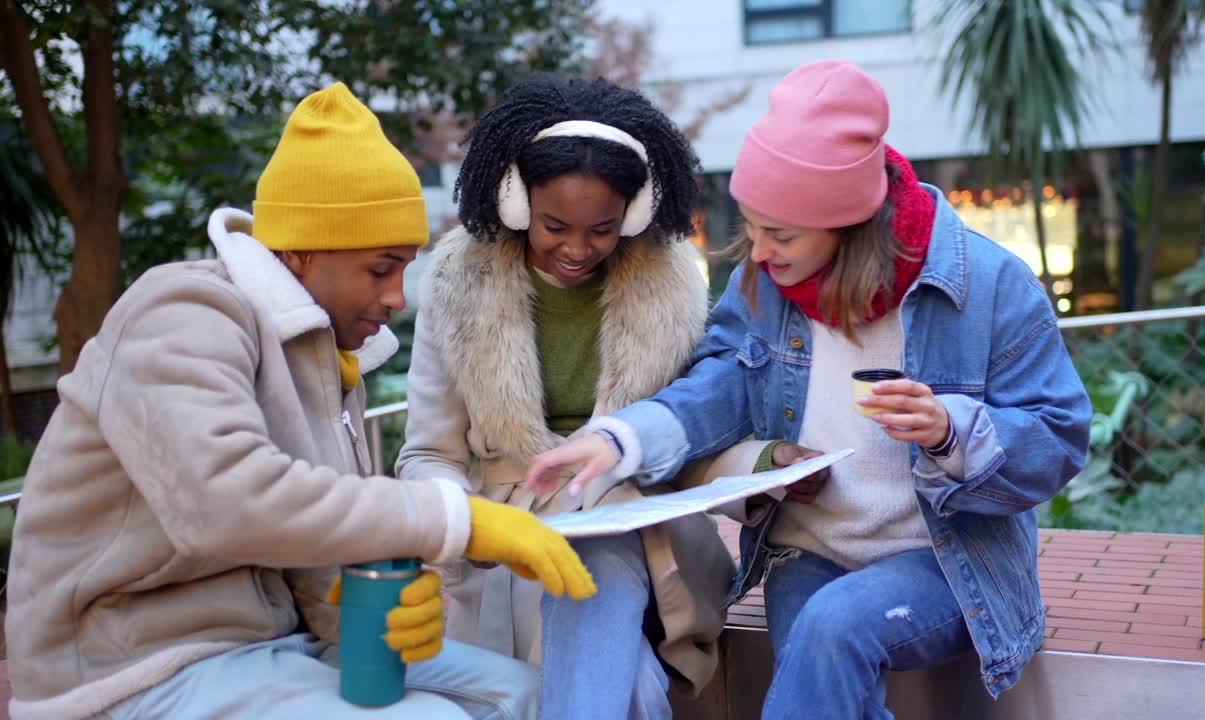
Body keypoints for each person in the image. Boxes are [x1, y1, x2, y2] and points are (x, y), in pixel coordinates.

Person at [4, 82, 594, 720]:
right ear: (305, 250)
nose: (399, 296)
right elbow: (227, 502)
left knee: (529, 693)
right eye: (381, 267)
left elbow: (304, 543)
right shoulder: (181, 312)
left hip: (271, 645)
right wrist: (458, 519)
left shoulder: (327, 358)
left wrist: (368, 604)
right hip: (128, 667)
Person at [526, 60, 1093, 719]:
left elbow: (1059, 436)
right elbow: (718, 387)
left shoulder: (991, 285)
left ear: (849, 225)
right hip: (811, 554)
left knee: (832, 627)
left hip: (947, 562)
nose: (758, 253)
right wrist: (619, 439)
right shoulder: (769, 282)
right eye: (750, 226)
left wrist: (950, 429)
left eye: (780, 234)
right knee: (825, 665)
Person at [396, 74, 770, 719]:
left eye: (601, 228)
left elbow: (685, 431)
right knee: (637, 689)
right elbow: (428, 456)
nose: (577, 249)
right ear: (514, 202)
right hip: (506, 540)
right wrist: (475, 525)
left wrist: (760, 465)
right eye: (554, 225)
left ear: (636, 212)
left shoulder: (672, 281)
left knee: (592, 564)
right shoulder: (457, 281)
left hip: (637, 526)